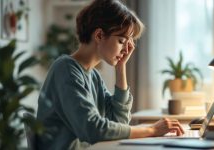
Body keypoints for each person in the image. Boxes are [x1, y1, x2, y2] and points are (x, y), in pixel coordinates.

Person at [36, 0, 184, 149]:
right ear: (99, 35)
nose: (126, 50)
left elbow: (119, 122)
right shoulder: (65, 69)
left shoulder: (93, 76)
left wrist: (121, 67)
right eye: (121, 41)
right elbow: (93, 129)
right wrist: (151, 130)